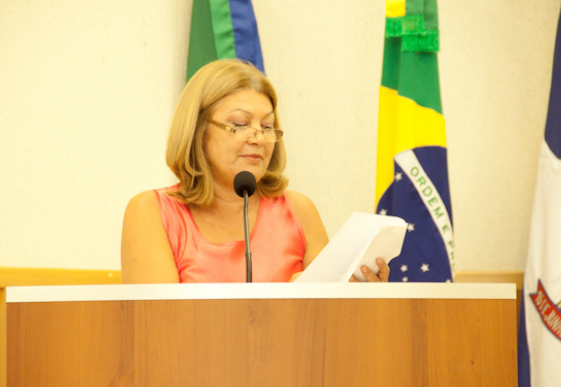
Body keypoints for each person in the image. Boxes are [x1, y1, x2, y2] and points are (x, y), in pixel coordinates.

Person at [121, 59, 389, 283]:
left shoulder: (299, 211)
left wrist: (362, 295)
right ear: (198, 131)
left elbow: (330, 322)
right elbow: (158, 327)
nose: (258, 138)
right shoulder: (151, 211)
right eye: (240, 124)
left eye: (267, 126)